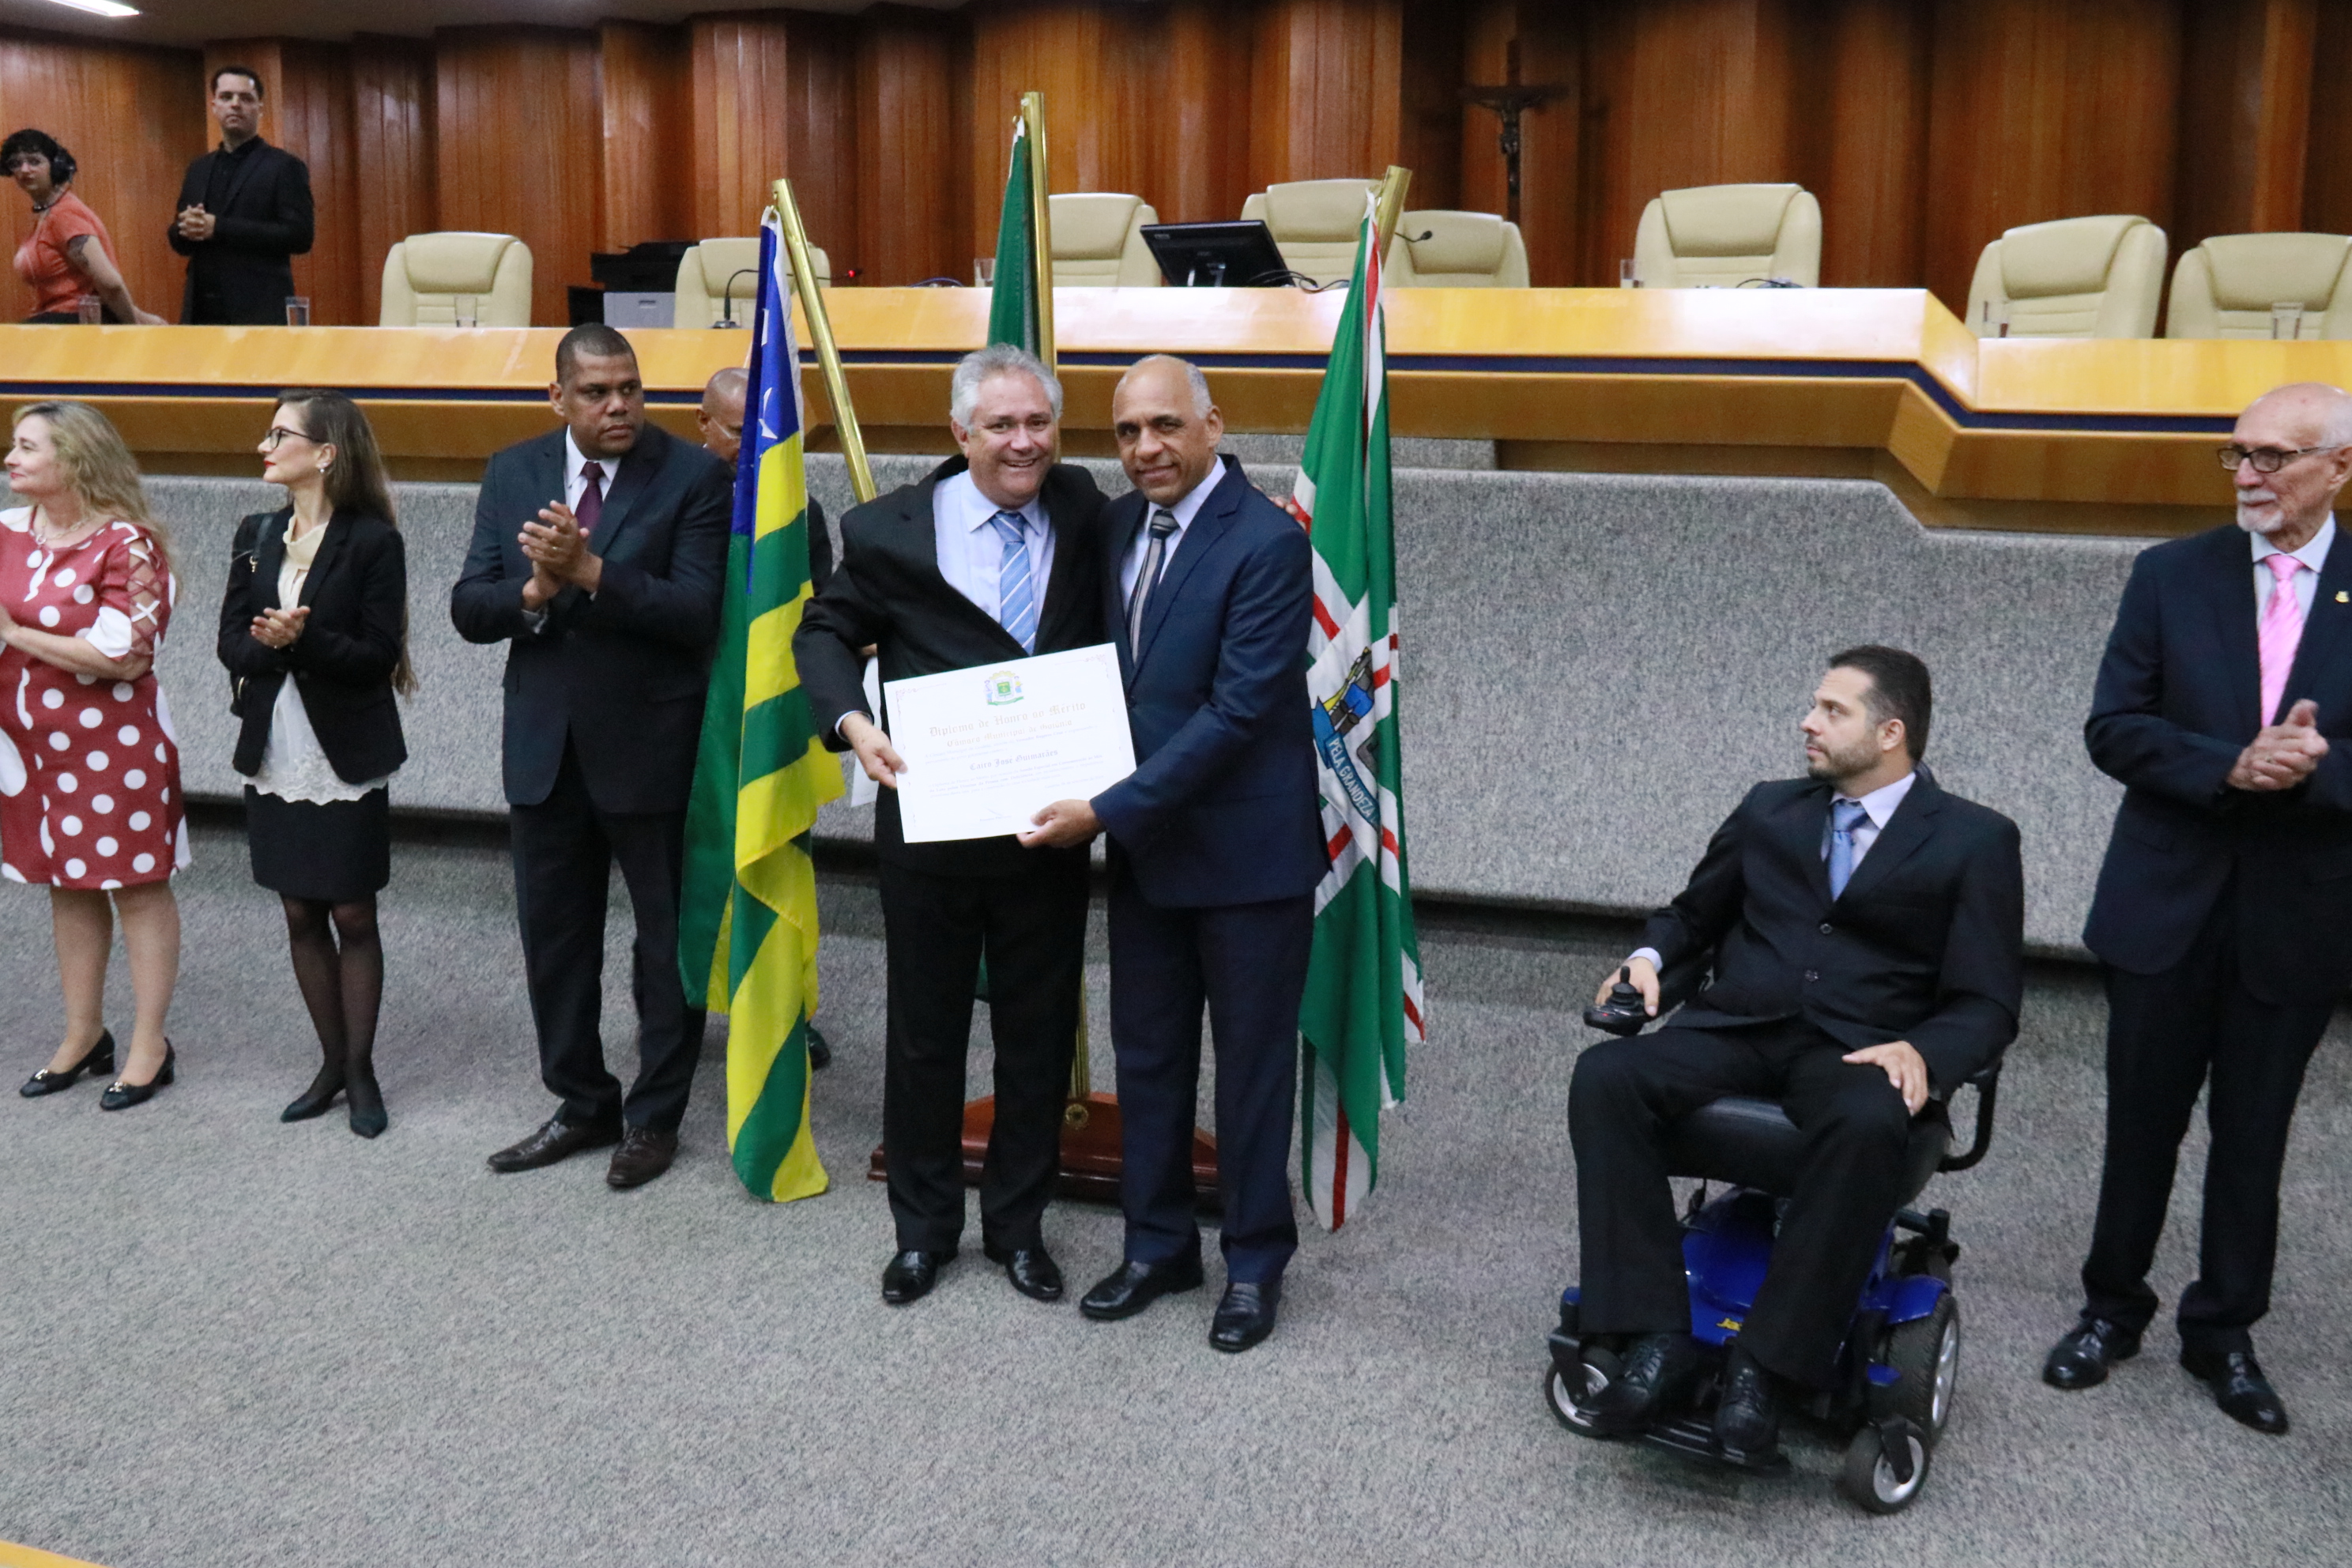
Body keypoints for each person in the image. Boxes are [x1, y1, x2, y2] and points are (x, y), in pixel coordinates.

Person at [1566, 647, 2022, 1454]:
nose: (1808, 722)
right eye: (1815, 706)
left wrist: (1926, 1052)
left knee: (1868, 1122)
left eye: (1832, 710)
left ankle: (1767, 1369)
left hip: (1861, 1050)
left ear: (1890, 732)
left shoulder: (1975, 839)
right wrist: (1648, 959)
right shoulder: (1769, 809)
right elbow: (1692, 918)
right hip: (1739, 1028)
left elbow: (1987, 1001)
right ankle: (1654, 1334)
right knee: (1607, 1076)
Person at [2041, 382, 2352, 1436]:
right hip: (2165, 901)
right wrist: (2231, 763)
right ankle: (2110, 1310)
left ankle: (2223, 1331)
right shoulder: (2170, 575)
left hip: (2298, 913)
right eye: (2237, 454)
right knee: (2142, 1122)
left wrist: (2314, 768)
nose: (2248, 476)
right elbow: (2114, 727)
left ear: (2338, 467)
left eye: (2273, 456)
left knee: (2253, 1134)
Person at [1022, 356, 1325, 1354]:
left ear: (1212, 426)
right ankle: (1157, 1246)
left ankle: (1253, 1262)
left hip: (1246, 858)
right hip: (1150, 853)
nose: (1145, 448)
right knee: (1147, 1058)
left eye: (1164, 425)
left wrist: (1105, 810)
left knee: (1249, 1072)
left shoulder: (1269, 541)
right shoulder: (1116, 525)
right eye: (1126, 432)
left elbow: (1236, 713)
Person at [793, 343, 1106, 1306]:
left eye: (1039, 423)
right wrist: (853, 724)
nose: (1024, 442)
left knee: (1036, 1040)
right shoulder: (888, 529)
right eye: (1001, 425)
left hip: (1048, 832)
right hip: (930, 830)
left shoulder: (1085, 508)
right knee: (925, 1039)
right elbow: (823, 630)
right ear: (960, 433)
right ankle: (923, 1232)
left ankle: (1018, 1227)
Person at [451, 323, 732, 1189]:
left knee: (664, 946)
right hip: (545, 750)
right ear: (558, 397)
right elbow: (470, 607)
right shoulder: (514, 471)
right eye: (597, 392)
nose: (619, 407)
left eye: (631, 390)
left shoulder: (693, 475)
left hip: (652, 747)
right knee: (556, 942)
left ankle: (654, 1118)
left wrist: (592, 572)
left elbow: (696, 612)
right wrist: (536, 589)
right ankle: (581, 1102)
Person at [217, 390, 413, 1139]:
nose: (264, 447)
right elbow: (230, 641)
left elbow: (377, 655)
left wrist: (305, 639)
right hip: (275, 745)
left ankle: (361, 1071)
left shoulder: (372, 542)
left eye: (280, 435)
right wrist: (269, 645)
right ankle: (331, 1064)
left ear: (326, 453)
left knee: (353, 912)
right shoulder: (255, 533)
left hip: (344, 747)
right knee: (299, 909)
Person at [2, 401, 187, 1109]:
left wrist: (15, 634)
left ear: (76, 458)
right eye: (13, 445)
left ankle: (149, 1044)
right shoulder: (7, 531)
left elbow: (126, 654)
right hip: (29, 749)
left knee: (135, 885)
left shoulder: (126, 544)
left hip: (113, 748)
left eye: (28, 447)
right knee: (67, 884)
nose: (11, 459)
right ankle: (83, 1034)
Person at [697, 364, 835, 1071]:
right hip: (695, 722)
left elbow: (821, 614)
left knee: (779, 861)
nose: (759, 450)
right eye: (738, 433)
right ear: (702, 426)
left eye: (773, 436)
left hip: (772, 722)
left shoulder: (799, 510)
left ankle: (786, 1010)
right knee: (690, 873)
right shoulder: (673, 497)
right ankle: (681, 1009)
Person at [168, 66, 314, 326]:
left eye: (245, 98)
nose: (235, 105)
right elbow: (178, 241)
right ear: (214, 106)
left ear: (260, 108)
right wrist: (185, 227)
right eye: (226, 97)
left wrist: (219, 228)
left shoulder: (283, 166)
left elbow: (300, 236)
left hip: (258, 311)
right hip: (201, 311)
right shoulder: (198, 168)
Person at [6, 129, 164, 325]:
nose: (24, 169)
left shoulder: (64, 215)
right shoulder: (49, 215)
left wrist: (134, 325)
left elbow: (110, 283)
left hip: (75, 325)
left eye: (34, 161)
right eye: (16, 163)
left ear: (56, 166)